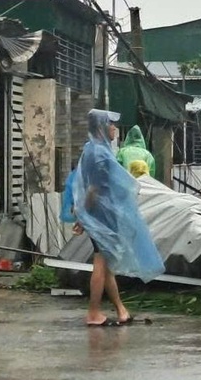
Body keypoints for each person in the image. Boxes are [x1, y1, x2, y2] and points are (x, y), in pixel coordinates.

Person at [70, 110, 165, 326]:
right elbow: (93, 189)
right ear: (102, 127)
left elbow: (87, 187)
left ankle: (121, 310)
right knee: (101, 263)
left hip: (98, 214)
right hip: (102, 216)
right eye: (111, 125)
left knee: (107, 265)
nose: (115, 129)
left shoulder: (92, 149)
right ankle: (93, 313)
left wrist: (84, 216)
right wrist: (85, 216)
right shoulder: (100, 154)